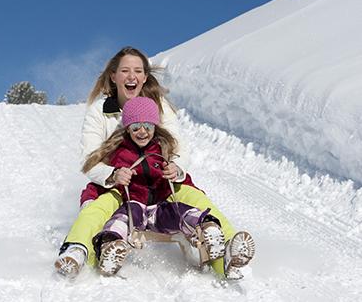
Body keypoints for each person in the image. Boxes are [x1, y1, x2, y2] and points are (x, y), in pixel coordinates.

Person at [54, 46, 255, 280]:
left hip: (161, 182)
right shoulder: (101, 111)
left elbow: (178, 145)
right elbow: (89, 159)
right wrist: (112, 174)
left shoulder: (158, 105)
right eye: (125, 71)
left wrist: (176, 167)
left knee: (198, 200)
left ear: (145, 76)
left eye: (138, 71)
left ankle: (226, 254)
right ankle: (78, 252)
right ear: (113, 76)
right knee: (95, 209)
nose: (132, 76)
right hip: (119, 184)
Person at [86, 97, 227, 276]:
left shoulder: (163, 148)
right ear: (127, 128)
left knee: (182, 212)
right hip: (133, 205)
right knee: (120, 220)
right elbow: (99, 176)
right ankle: (111, 247)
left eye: (148, 126)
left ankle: (209, 231)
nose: (142, 132)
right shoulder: (118, 152)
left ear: (155, 127)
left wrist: (175, 170)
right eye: (136, 127)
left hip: (161, 206)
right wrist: (116, 174)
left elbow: (180, 167)